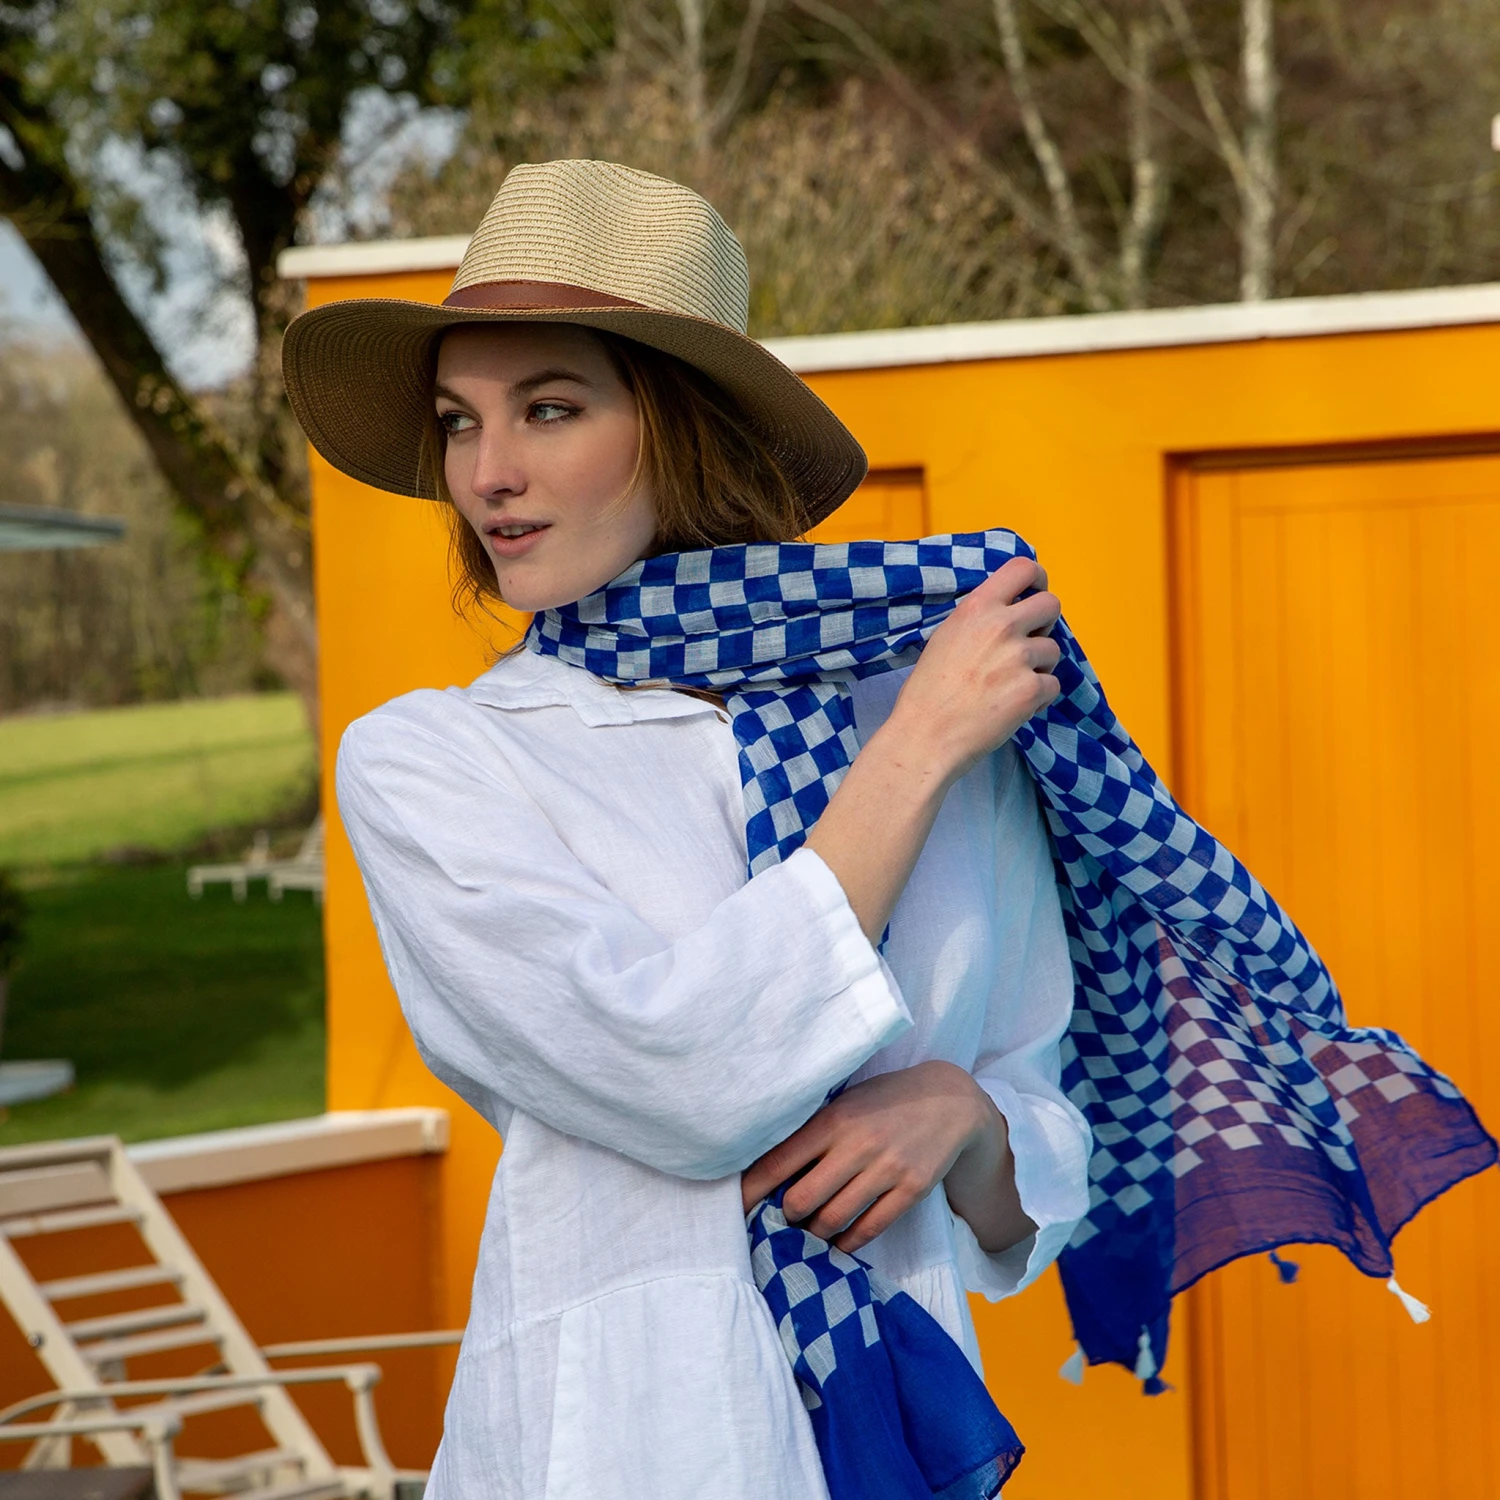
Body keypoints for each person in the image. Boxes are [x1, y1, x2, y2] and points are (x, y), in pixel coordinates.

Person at [283, 160, 1092, 1499]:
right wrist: (914, 754)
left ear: (684, 426)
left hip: (887, 1437)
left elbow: (1039, 1149)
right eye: (459, 422)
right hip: (624, 1445)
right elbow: (682, 1077)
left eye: (549, 408)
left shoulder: (929, 714)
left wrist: (962, 1116)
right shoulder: (438, 761)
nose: (489, 474)